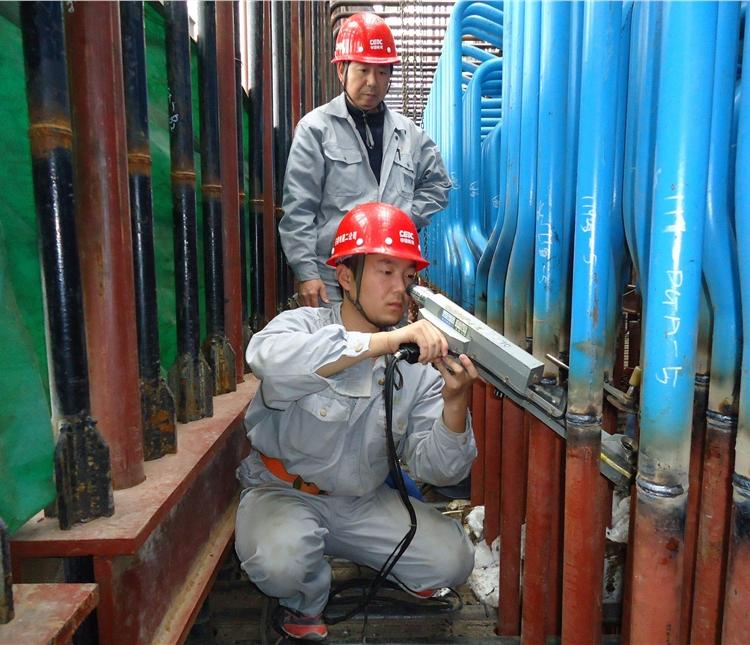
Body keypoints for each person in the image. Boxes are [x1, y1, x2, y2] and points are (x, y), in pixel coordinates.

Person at [235, 202, 478, 641]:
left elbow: (441, 471)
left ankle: (372, 557)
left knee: (452, 561)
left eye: (407, 276)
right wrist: (382, 342)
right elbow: (265, 359)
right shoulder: (303, 326)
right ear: (346, 277)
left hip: (361, 503)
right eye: (385, 271)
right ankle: (305, 602)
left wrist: (455, 402)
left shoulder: (416, 367)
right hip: (283, 493)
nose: (399, 289)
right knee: (280, 561)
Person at [280, 12, 452, 308]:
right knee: (339, 351)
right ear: (342, 71)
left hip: (389, 276)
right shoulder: (316, 129)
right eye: (363, 70)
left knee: (387, 352)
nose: (372, 82)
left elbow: (439, 184)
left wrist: (405, 217)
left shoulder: (409, 134)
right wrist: (306, 273)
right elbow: (299, 207)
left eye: (382, 72)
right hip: (334, 277)